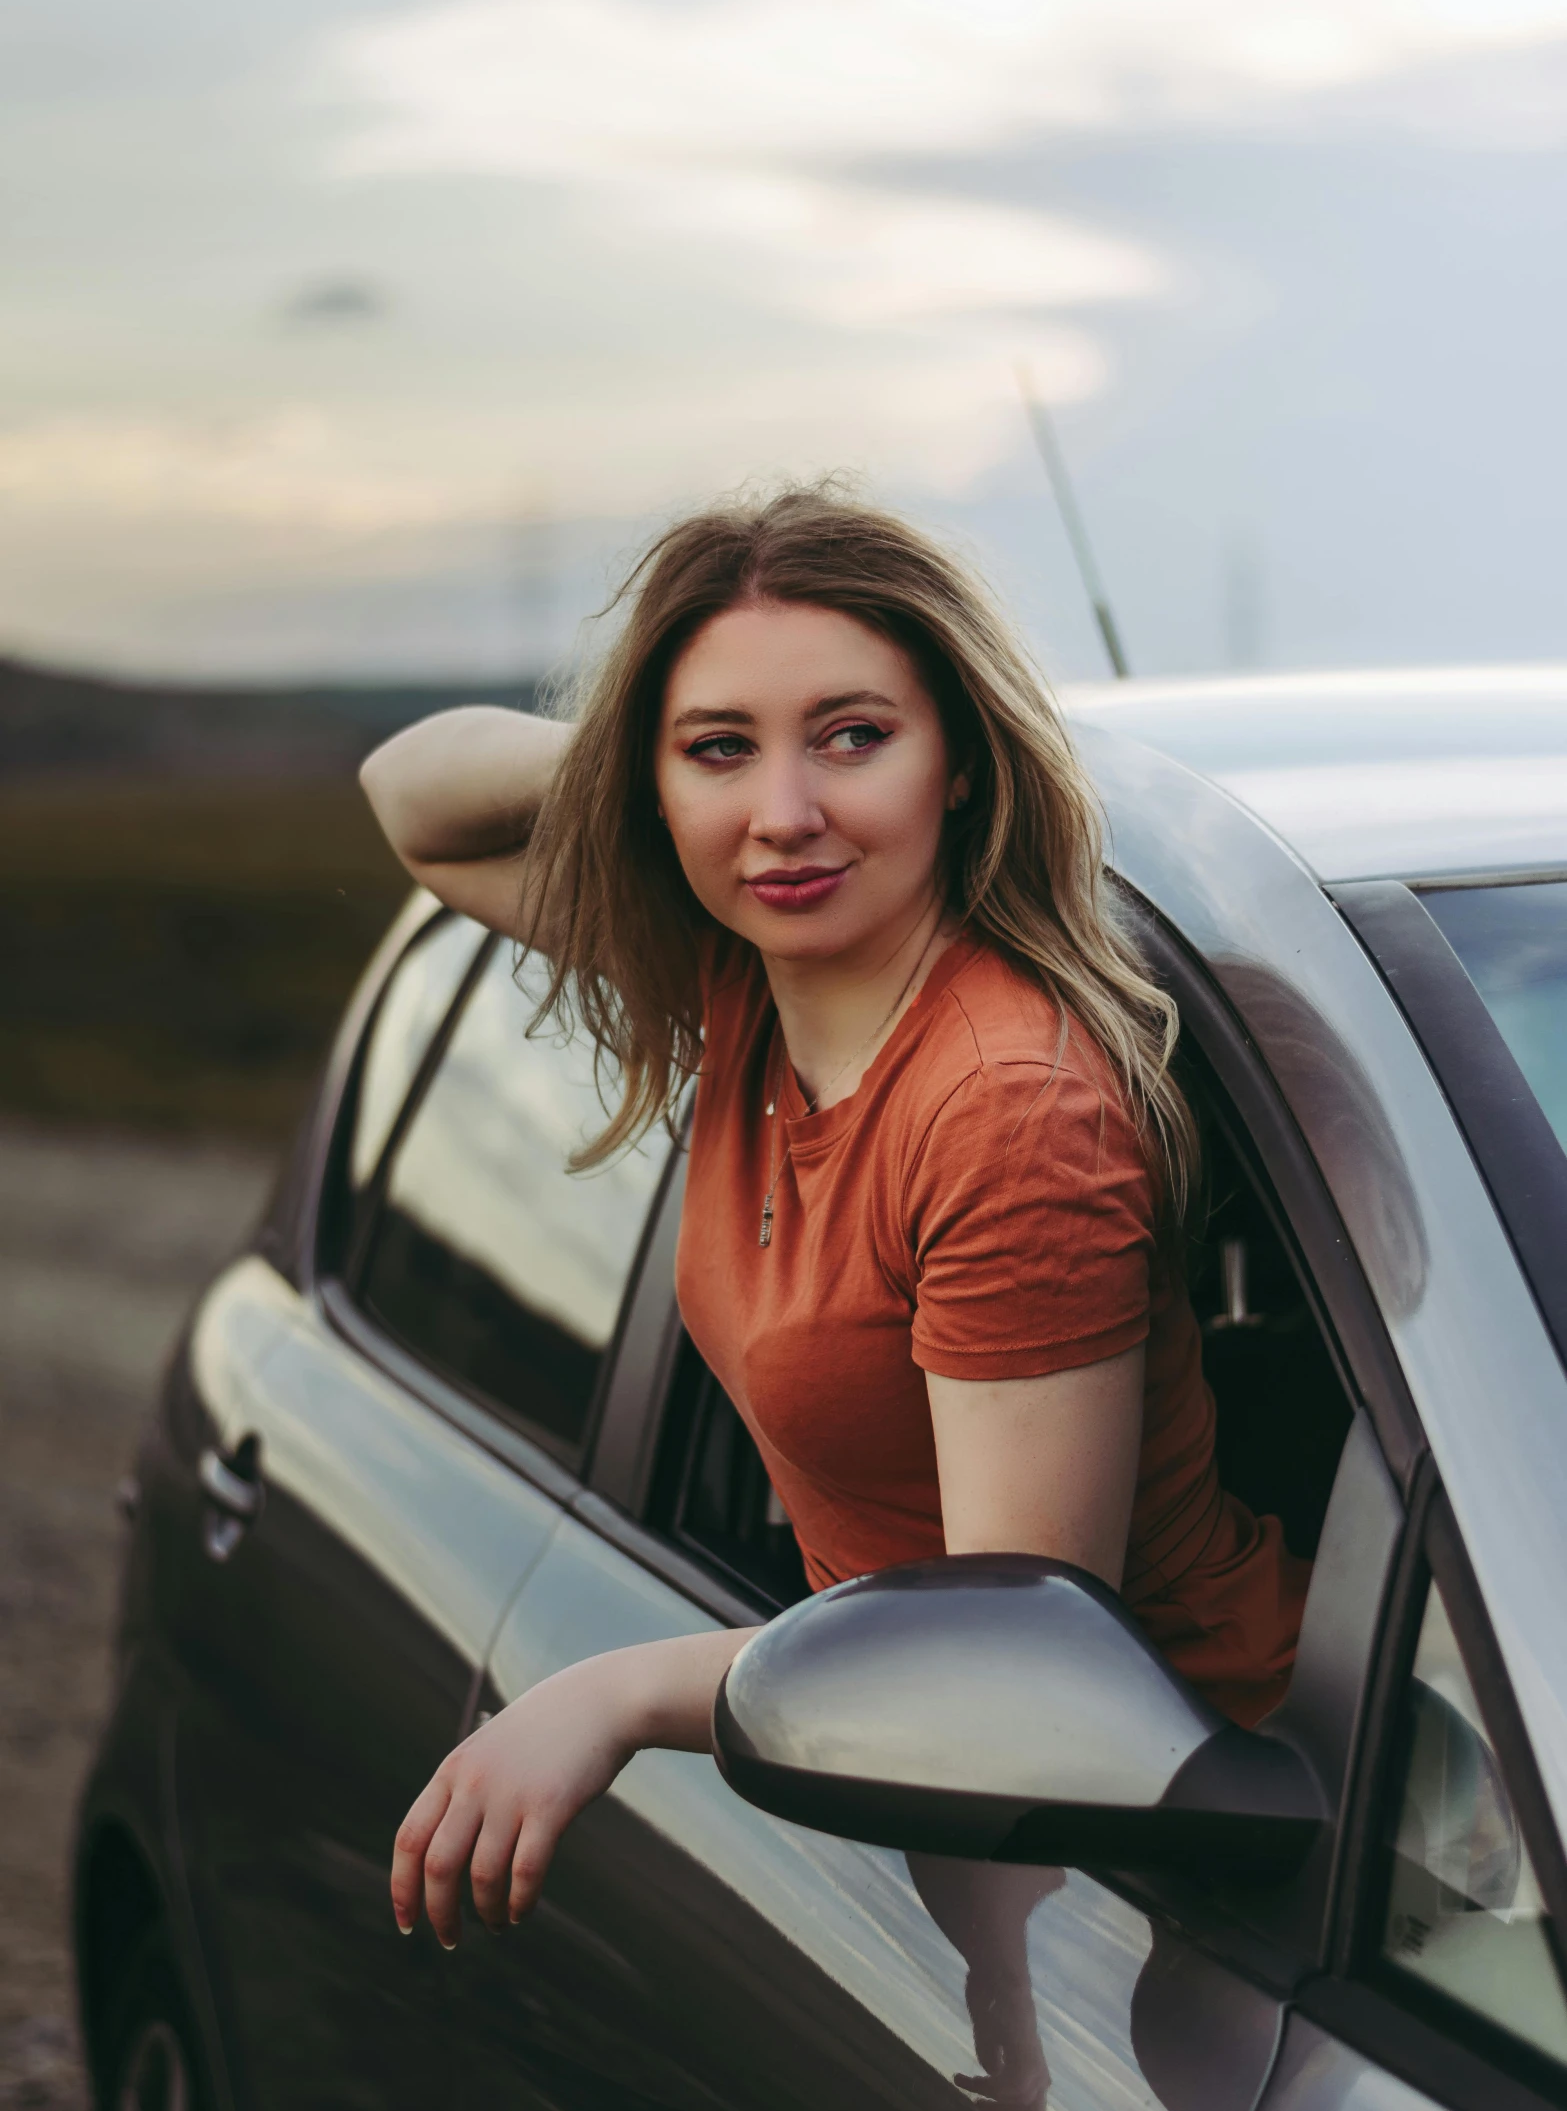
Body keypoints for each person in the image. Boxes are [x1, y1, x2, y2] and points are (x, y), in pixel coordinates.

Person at [361, 484, 1309, 1952]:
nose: (785, 814)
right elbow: (414, 800)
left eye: (854, 736)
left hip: (1187, 1816)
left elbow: (1011, 1654)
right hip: (940, 1757)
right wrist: (665, 768)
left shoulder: (1007, 1109)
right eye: (721, 747)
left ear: (963, 767)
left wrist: (609, 1691)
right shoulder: (749, 981)